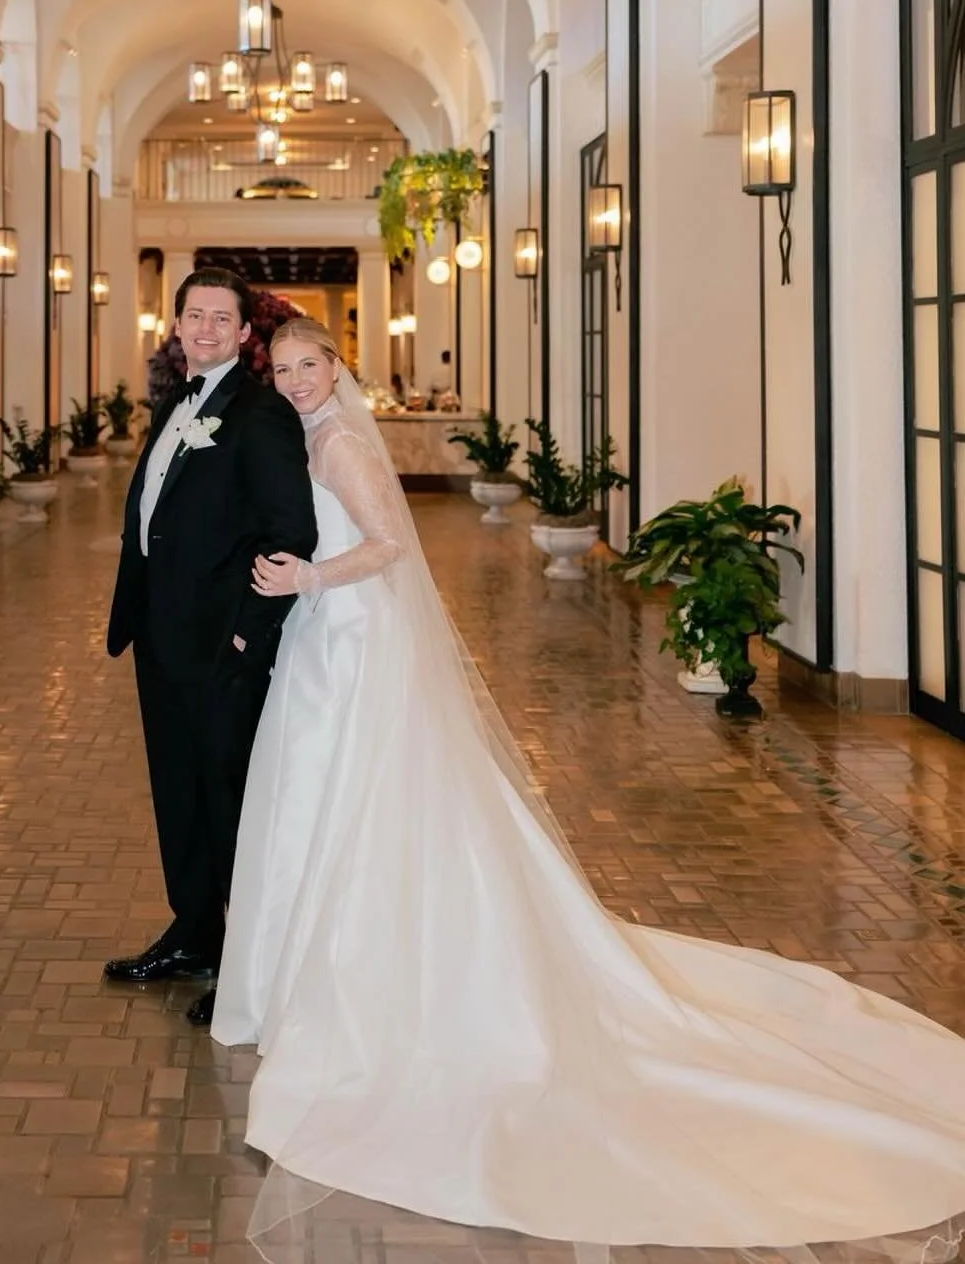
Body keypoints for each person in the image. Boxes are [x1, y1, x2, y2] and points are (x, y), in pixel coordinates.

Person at [213, 317, 965, 1261]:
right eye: (280, 370)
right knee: (317, 806)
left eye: (308, 366)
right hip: (329, 641)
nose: (293, 381)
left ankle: (362, 978)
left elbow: (393, 546)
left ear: (337, 367)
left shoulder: (349, 445)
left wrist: (308, 576)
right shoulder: (311, 434)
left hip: (352, 640)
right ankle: (309, 969)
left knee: (358, 804)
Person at [103, 270, 317, 1029]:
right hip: (159, 638)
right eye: (193, 316)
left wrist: (245, 633)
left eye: (220, 318)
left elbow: (290, 532)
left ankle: (245, 964)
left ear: (244, 333)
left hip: (221, 647)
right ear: (178, 324)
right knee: (179, 796)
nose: (204, 329)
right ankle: (193, 931)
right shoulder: (173, 401)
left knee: (230, 804)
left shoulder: (260, 413)